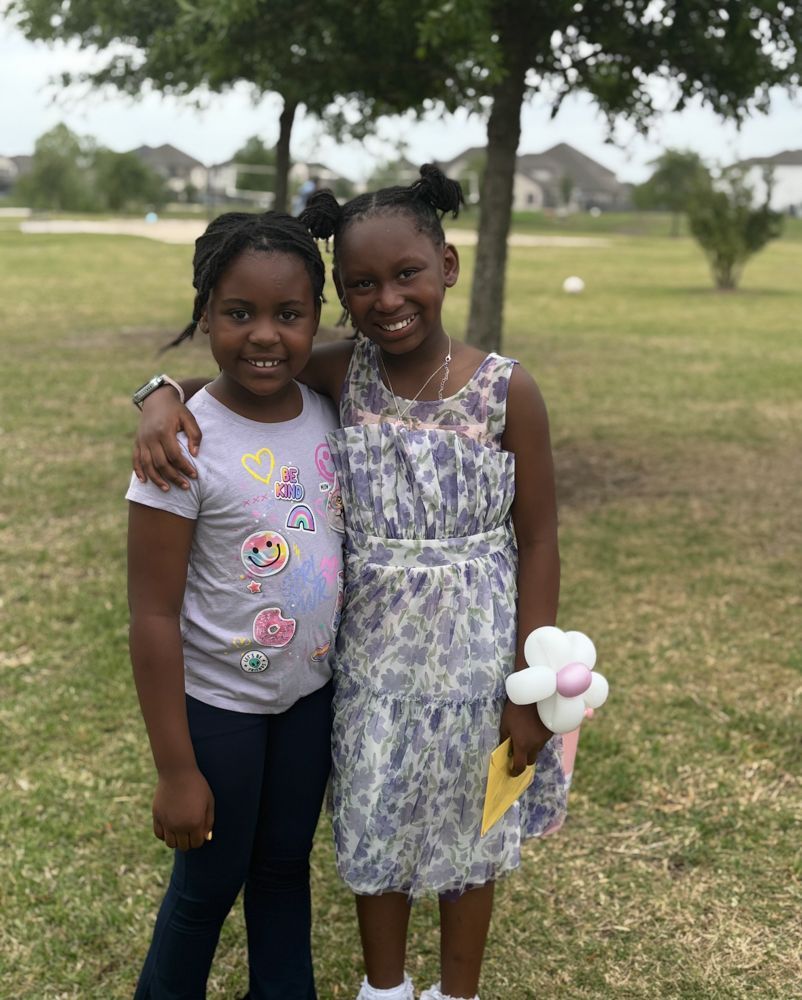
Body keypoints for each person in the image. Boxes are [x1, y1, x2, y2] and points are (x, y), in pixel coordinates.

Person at [132, 166, 568, 1000]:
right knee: (375, 820)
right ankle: (384, 989)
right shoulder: (344, 374)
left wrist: (533, 683)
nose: (387, 299)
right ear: (341, 294)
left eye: (406, 274)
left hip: (478, 668)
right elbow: (230, 381)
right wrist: (155, 395)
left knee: (470, 833)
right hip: (368, 670)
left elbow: (541, 538)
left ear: (447, 265)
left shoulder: (507, 389)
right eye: (361, 284)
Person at [126, 210, 344, 999]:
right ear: (205, 314)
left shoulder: (327, 405)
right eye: (238, 313)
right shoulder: (182, 446)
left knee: (284, 869)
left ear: (316, 319)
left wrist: (156, 389)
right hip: (218, 709)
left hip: (309, 700)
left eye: (289, 315)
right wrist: (176, 769)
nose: (264, 336)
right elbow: (152, 616)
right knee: (207, 887)